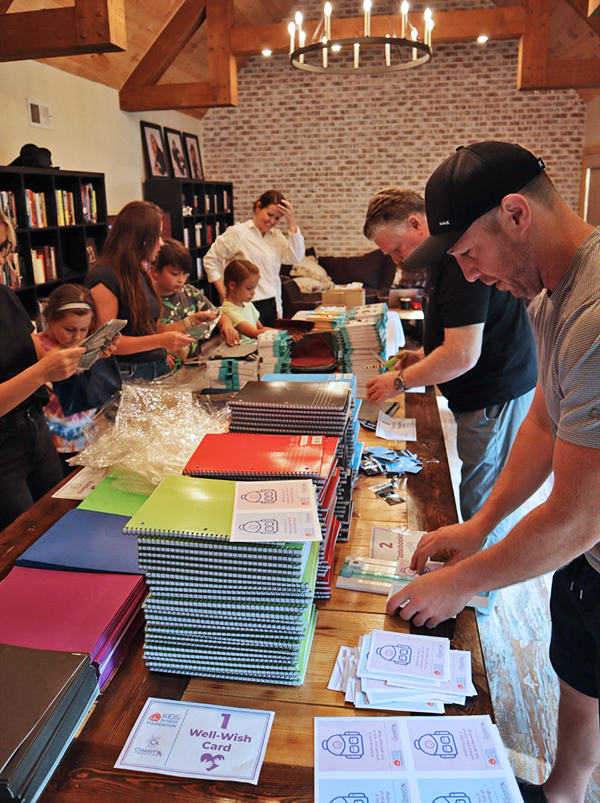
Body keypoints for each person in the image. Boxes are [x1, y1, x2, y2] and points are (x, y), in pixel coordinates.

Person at [384, 141, 600, 803]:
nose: (472, 277)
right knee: (580, 664)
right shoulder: (550, 299)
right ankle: (565, 789)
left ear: (514, 213)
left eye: (470, 255)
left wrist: (464, 581)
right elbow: (543, 421)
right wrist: (480, 524)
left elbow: (578, 517)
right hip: (590, 563)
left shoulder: (596, 314)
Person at [364, 188, 537, 593]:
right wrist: (421, 356)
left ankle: (472, 597)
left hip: (493, 393)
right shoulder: (442, 259)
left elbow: (462, 355)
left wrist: (398, 381)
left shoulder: (459, 262)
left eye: (394, 249)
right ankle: (472, 584)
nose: (394, 260)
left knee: (483, 505)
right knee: (478, 493)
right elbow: (458, 334)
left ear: (415, 223)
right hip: (487, 390)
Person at [0, 210, 85, 529]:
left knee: (58, 520)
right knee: (18, 539)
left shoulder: (6, 296)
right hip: (5, 449)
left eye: (5, 248)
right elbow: (38, 368)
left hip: (35, 431)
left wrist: (80, 354)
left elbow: (35, 351)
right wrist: (41, 372)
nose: (3, 259)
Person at [86, 201, 193, 382]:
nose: (161, 243)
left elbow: (151, 328)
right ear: (142, 239)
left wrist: (190, 323)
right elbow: (105, 344)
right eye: (157, 236)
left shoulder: (139, 271)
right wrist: (160, 342)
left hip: (156, 368)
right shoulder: (105, 276)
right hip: (128, 375)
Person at [203, 189, 305, 327]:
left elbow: (295, 257)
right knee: (248, 346)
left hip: (272, 302)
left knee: (271, 345)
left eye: (277, 218)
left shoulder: (276, 236)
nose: (272, 221)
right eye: (269, 215)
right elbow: (210, 260)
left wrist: (291, 222)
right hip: (245, 303)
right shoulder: (238, 233)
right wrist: (223, 291)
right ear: (258, 207)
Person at [34, 284, 99, 477]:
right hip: (56, 441)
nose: (77, 336)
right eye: (69, 329)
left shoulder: (85, 344)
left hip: (87, 434)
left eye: (84, 329)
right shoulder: (38, 346)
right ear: (50, 319)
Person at [150, 238, 239, 364]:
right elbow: (155, 333)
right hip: (164, 368)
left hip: (194, 363)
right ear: (155, 272)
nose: (181, 279)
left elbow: (219, 315)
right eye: (175, 274)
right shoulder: (149, 299)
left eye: (185, 274)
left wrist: (226, 326)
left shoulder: (190, 293)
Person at [221, 259, 270, 342]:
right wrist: (286, 333)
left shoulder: (248, 304)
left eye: (254, 287)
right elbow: (254, 333)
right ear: (232, 285)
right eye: (249, 288)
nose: (253, 292)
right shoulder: (227, 310)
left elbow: (261, 328)